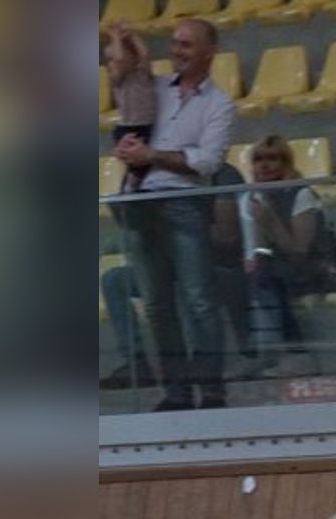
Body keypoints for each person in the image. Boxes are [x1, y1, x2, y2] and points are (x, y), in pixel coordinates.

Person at [114, 18, 236, 410]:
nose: (176, 50)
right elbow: (127, 89)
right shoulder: (156, 87)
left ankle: (211, 387)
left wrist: (151, 157)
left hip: (184, 201)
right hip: (141, 200)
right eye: (174, 43)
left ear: (208, 52)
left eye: (185, 44)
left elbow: (208, 161)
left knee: (199, 299)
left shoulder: (220, 104)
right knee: (156, 303)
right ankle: (178, 390)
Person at [100, 163, 250, 391]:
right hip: (162, 263)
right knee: (114, 281)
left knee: (188, 286)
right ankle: (137, 362)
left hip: (216, 266)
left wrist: (178, 222)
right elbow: (130, 224)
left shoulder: (222, 175)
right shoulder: (141, 173)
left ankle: (202, 366)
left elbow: (228, 238)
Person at [238, 135, 321, 378]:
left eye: (272, 159)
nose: (264, 165)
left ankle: (297, 353)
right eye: (258, 160)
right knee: (241, 277)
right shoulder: (249, 198)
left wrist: (271, 222)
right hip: (270, 265)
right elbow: (252, 248)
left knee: (269, 274)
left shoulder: (301, 194)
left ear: (286, 163)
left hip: (308, 266)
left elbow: (300, 251)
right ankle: (253, 353)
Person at [104, 21, 157, 193]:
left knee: (146, 165)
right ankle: (129, 188)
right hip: (129, 128)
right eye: (109, 61)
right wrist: (115, 36)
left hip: (148, 125)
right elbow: (120, 60)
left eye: (114, 59)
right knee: (136, 166)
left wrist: (132, 35)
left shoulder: (143, 74)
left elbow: (146, 54)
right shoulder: (118, 80)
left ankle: (135, 187)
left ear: (133, 59)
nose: (112, 64)